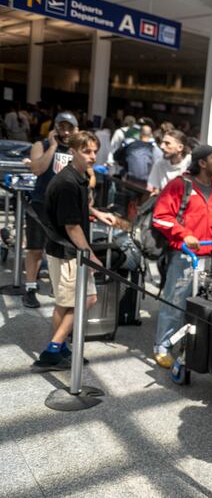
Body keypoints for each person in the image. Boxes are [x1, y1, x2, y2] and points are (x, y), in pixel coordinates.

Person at [32, 131, 116, 370]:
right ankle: (53, 350)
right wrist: (91, 254)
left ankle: (61, 348)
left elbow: (78, 210)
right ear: (73, 151)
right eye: (86, 151)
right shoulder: (68, 182)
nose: (92, 156)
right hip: (67, 250)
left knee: (65, 303)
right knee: (86, 299)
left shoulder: (75, 177)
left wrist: (97, 213)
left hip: (65, 249)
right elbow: (72, 226)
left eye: (94, 151)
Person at [151, 145, 212, 368]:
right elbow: (161, 217)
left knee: (204, 304)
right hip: (185, 256)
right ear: (202, 163)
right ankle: (163, 345)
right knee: (175, 302)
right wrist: (184, 234)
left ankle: (196, 346)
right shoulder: (180, 185)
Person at [23, 112, 80, 308]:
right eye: (61, 127)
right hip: (41, 203)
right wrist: (53, 146)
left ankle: (60, 288)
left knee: (61, 251)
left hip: (65, 207)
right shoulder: (42, 145)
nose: (65, 131)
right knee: (35, 248)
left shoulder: (76, 149)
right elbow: (37, 169)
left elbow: (87, 173)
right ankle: (30, 287)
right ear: (55, 127)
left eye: (69, 127)